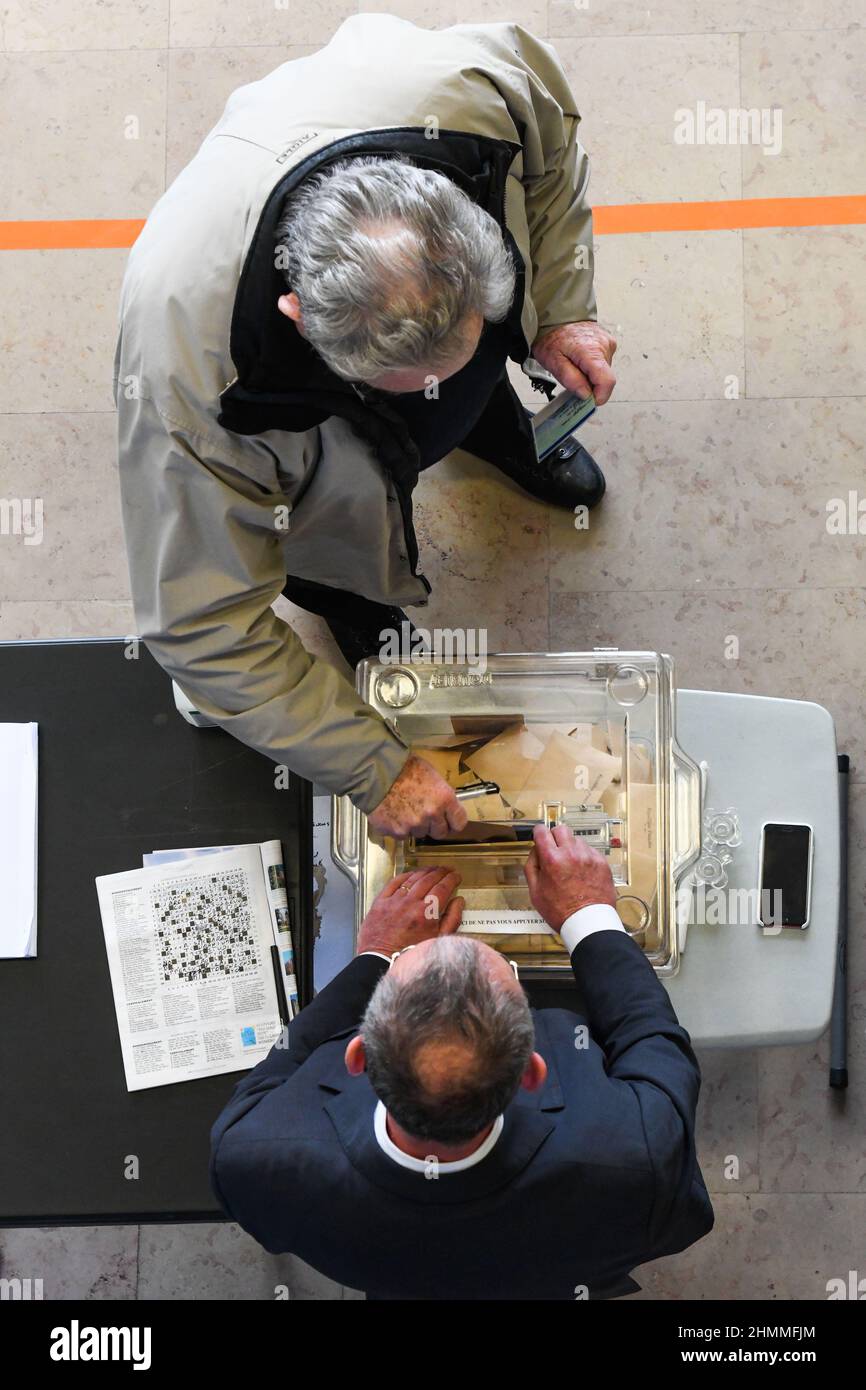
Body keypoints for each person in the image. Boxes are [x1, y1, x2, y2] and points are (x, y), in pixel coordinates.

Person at [114, 16, 616, 841]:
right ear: (299, 318)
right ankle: (354, 603)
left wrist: (561, 312)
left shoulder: (469, 85)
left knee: (463, 377)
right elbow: (199, 627)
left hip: (419, 327)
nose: (428, 394)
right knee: (334, 541)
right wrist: (374, 767)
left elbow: (552, 163)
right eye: (408, 386)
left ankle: (492, 429)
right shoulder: (189, 380)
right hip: (293, 423)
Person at [210, 827, 713, 1300]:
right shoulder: (638, 1155)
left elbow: (284, 1062)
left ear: (357, 1055)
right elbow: (653, 1042)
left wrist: (377, 956)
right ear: (533, 1071)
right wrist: (588, 915)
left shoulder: (252, 1157)